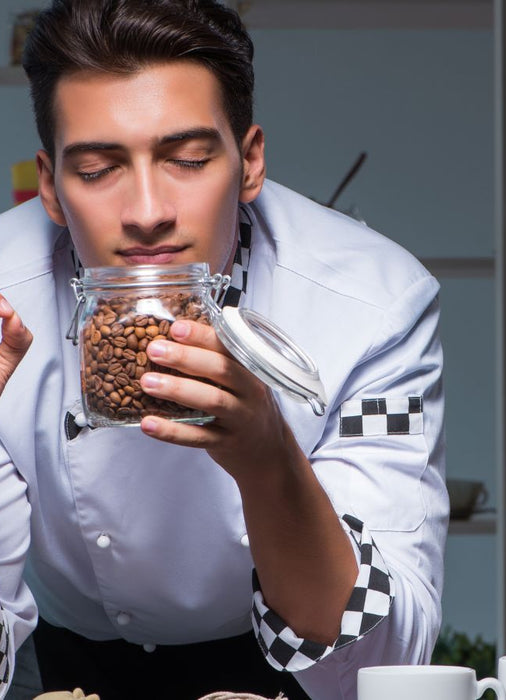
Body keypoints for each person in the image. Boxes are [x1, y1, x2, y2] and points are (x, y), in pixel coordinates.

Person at [0, 1, 447, 698]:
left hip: (279, 671)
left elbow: (383, 663)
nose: (147, 211)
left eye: (187, 159)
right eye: (96, 170)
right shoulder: (5, 303)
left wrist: (271, 461)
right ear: (51, 188)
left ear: (249, 162)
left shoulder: (372, 306)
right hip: (60, 662)